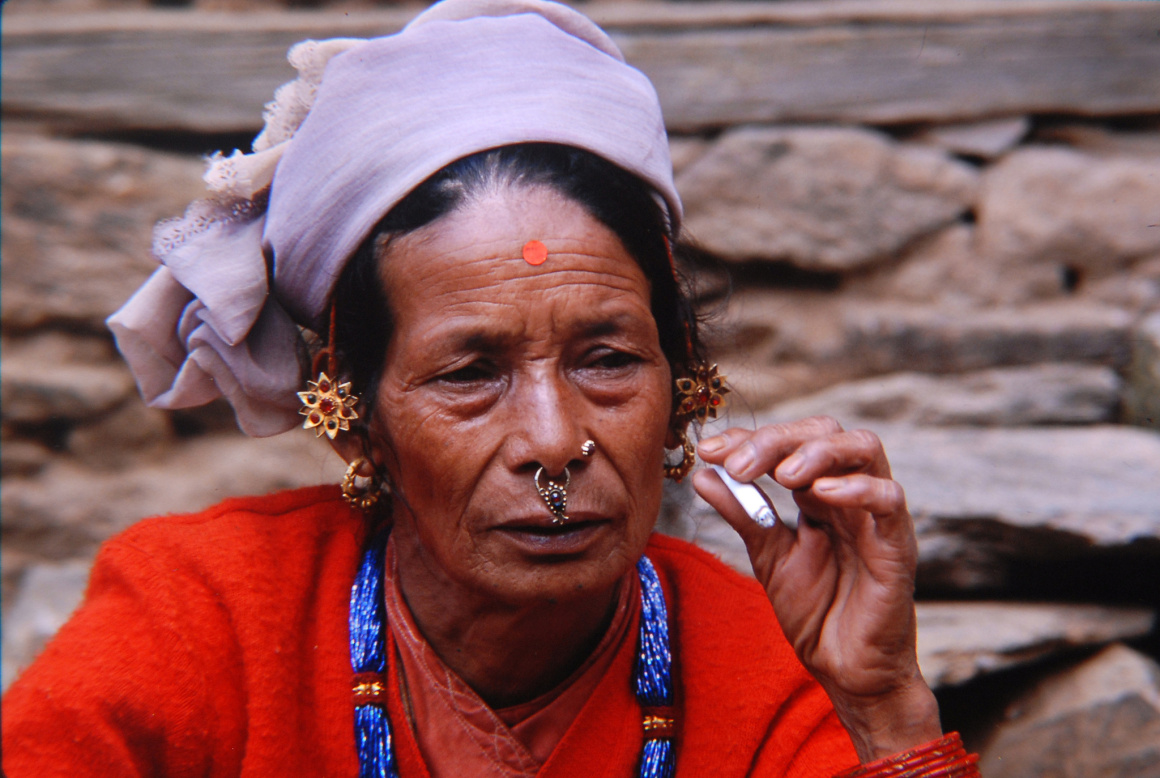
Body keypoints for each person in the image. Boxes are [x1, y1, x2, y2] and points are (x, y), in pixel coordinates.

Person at [1, 2, 980, 776]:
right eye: (470, 373)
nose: (554, 441)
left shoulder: (772, 666)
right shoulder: (201, 617)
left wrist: (883, 703)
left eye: (606, 361)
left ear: (681, 384)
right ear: (354, 416)